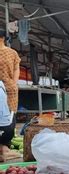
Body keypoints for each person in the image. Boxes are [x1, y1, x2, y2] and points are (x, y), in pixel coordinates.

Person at [0, 28, 21, 161]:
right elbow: (16, 69)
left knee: (7, 117)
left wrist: (12, 84)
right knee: (7, 117)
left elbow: (16, 68)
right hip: (10, 88)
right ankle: (4, 148)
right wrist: (13, 83)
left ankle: (3, 148)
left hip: (8, 89)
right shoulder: (13, 53)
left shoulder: (11, 53)